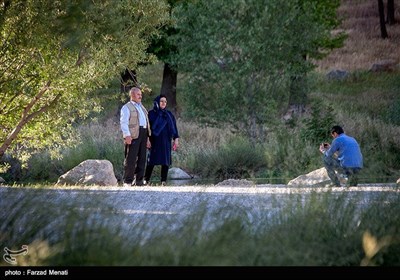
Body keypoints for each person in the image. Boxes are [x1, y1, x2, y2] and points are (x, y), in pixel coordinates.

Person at [144, 94, 179, 186]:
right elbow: (147, 128)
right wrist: (147, 139)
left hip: (166, 141)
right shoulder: (151, 114)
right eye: (161, 101)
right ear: (157, 102)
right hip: (154, 141)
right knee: (151, 160)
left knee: (165, 161)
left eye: (165, 101)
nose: (164, 103)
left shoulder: (169, 114)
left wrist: (176, 139)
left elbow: (174, 127)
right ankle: (146, 180)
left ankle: (163, 181)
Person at [120, 87, 151, 186]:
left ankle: (139, 181)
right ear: (132, 95)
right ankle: (128, 181)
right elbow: (123, 122)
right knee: (131, 158)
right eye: (138, 94)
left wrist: (148, 138)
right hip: (133, 135)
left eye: (141, 94)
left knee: (142, 158)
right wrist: (127, 135)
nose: (140, 96)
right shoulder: (126, 107)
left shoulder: (142, 107)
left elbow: (146, 122)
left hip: (143, 133)